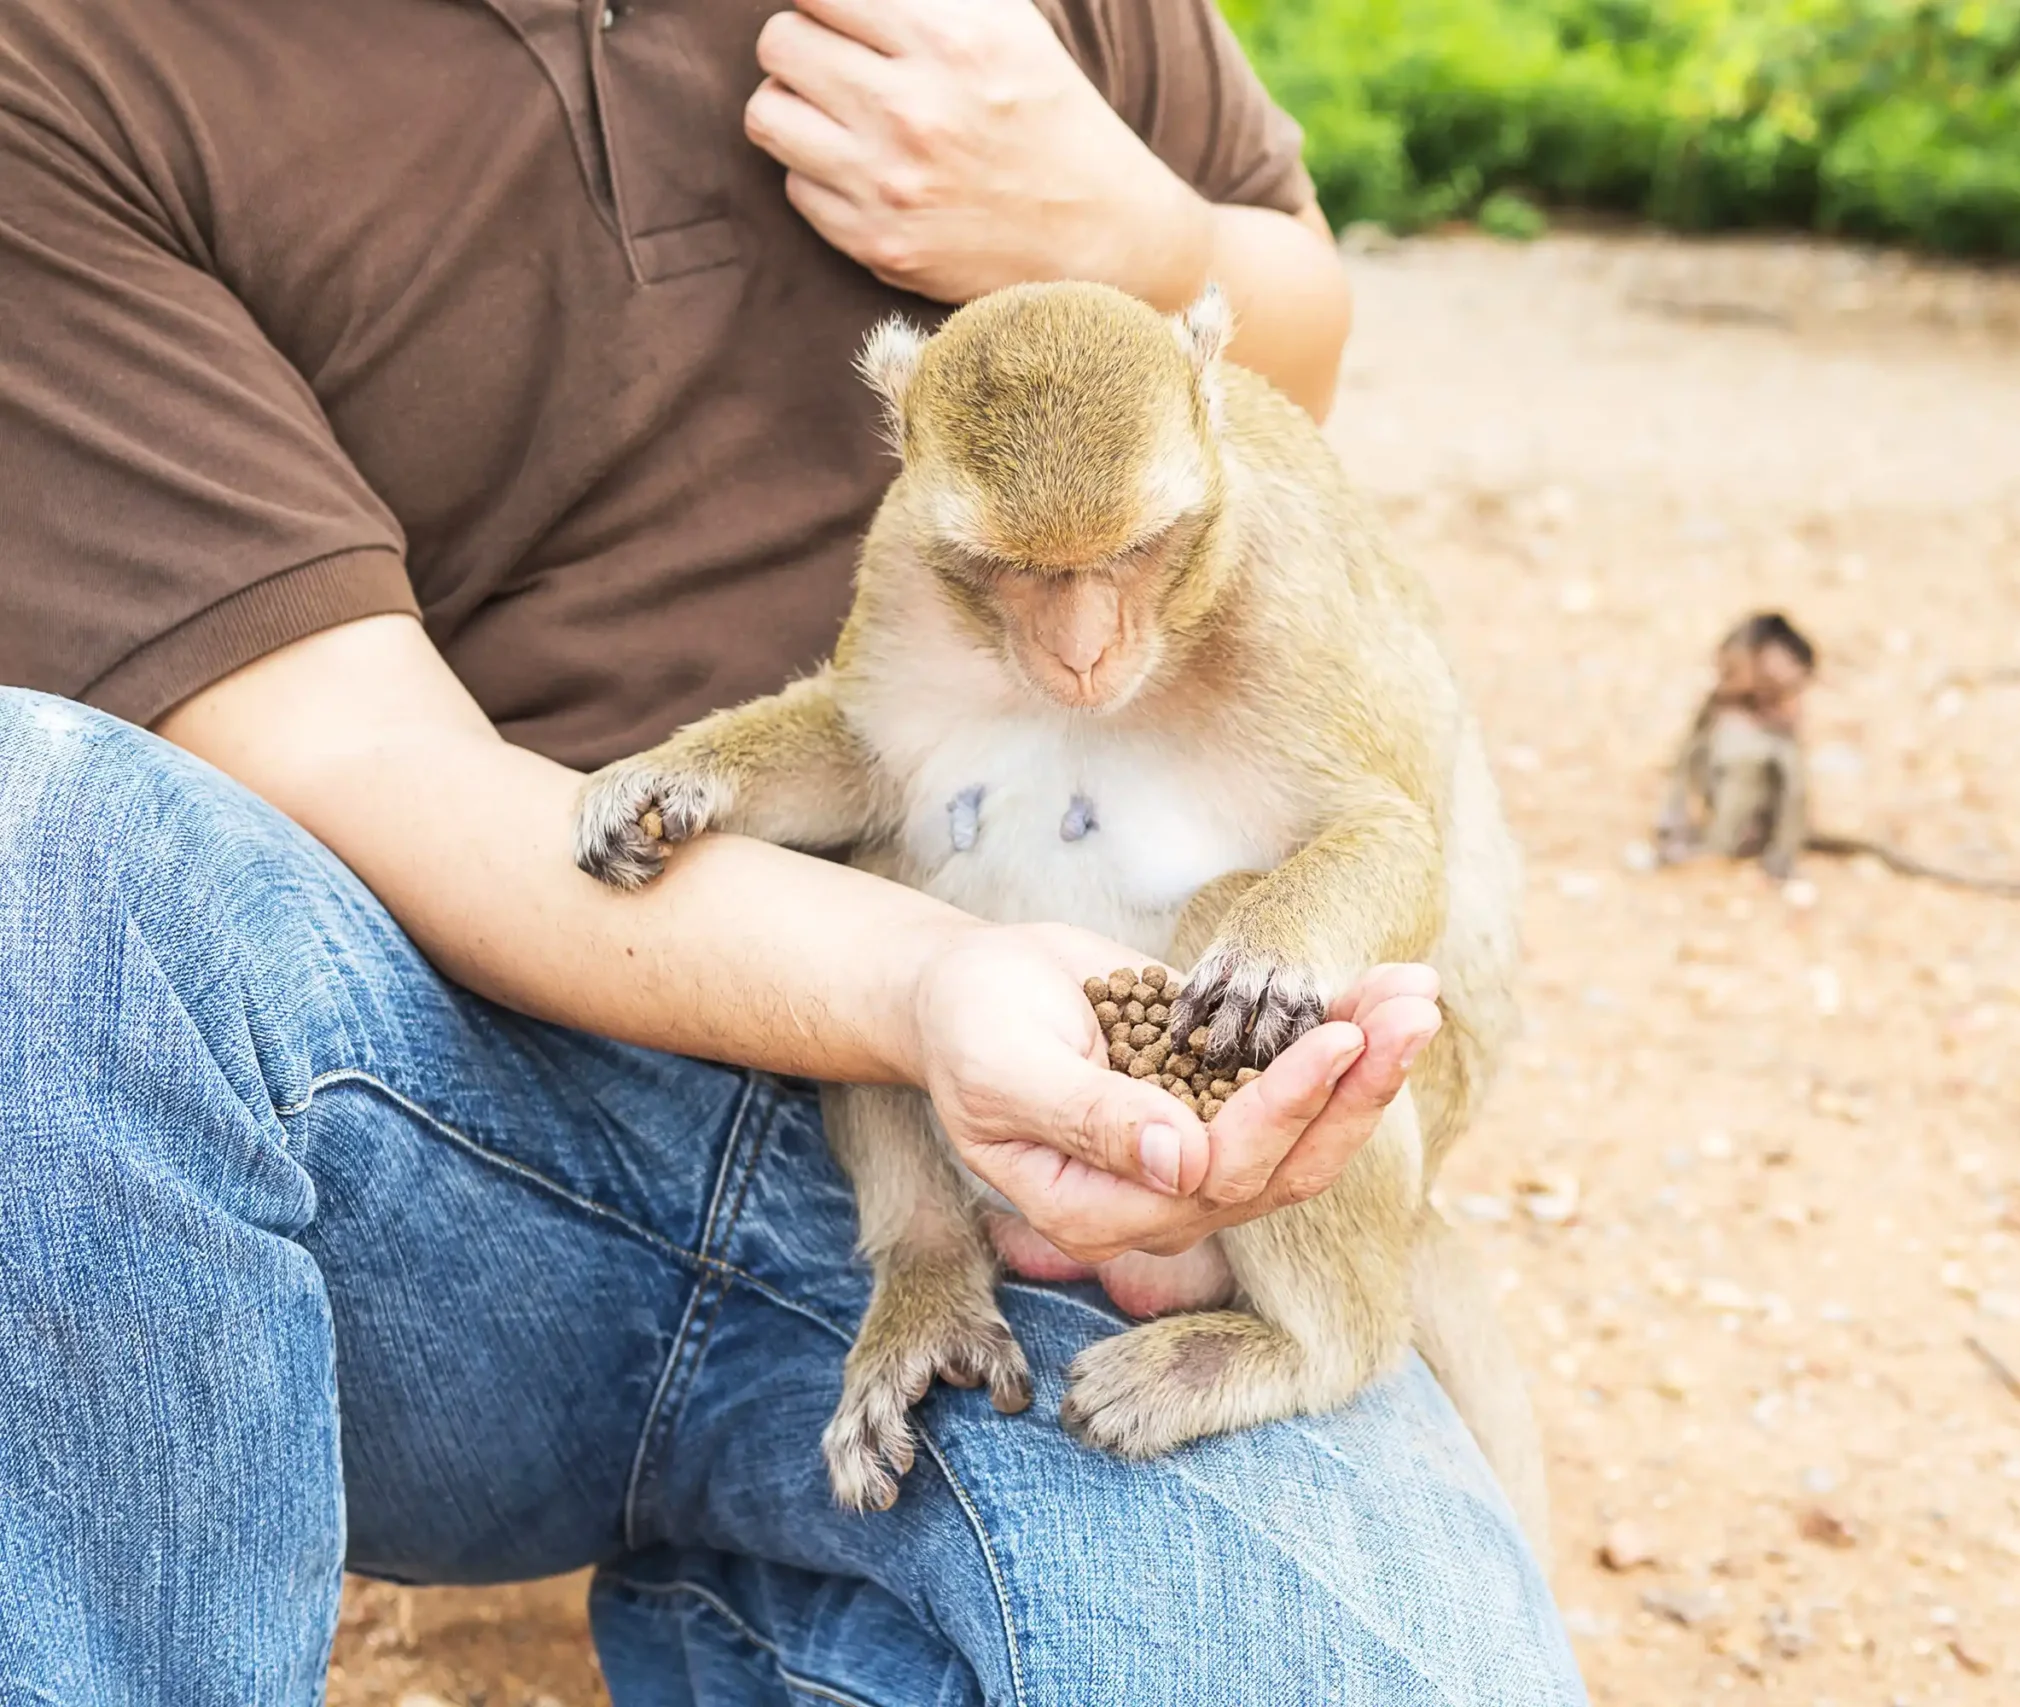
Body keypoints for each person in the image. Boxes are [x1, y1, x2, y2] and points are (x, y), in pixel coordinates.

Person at [0, 0, 1587, 1700]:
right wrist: (910, 984)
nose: (1076, 644)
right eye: (1014, 582)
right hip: (440, 1106)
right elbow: (350, 750)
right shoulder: (72, 63)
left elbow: (1287, 357)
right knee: (40, 822)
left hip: (1075, 1112)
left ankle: (818, 1596)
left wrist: (1129, 235)